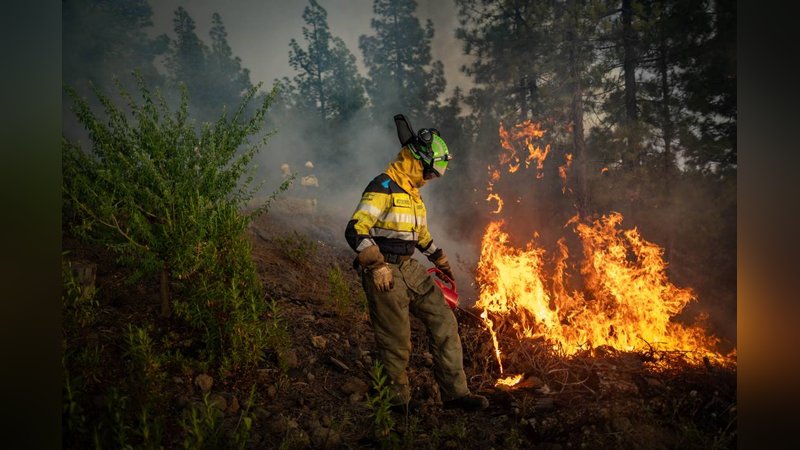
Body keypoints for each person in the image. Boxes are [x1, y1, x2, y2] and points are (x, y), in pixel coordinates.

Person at [344, 115, 489, 411]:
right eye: (430, 172)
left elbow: (419, 234)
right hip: (385, 270)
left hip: (410, 267)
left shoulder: (413, 194)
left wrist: (439, 257)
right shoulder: (383, 185)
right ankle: (397, 405)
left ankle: (456, 395)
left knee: (445, 321)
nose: (431, 178)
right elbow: (355, 229)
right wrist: (375, 265)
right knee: (397, 341)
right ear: (416, 160)